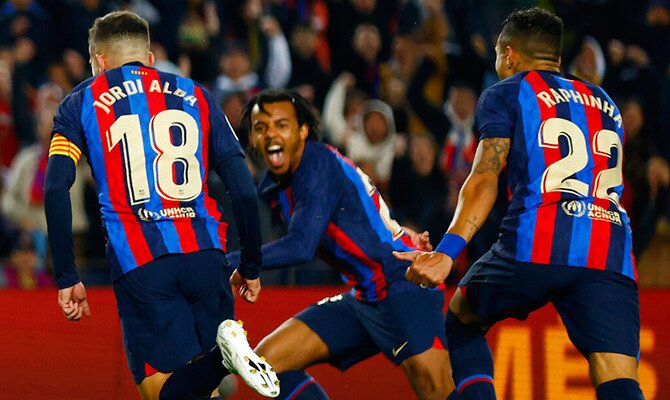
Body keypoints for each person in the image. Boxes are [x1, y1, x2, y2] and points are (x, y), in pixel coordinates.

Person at [396, 7, 644, 400]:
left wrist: (448, 251)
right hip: (609, 250)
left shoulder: (506, 92)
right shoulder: (604, 99)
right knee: (617, 373)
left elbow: (483, 179)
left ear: (510, 55)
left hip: (538, 241)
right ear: (558, 59)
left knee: (461, 318)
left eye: (497, 53)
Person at [43, 11, 278, 400]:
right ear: (149, 57)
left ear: (99, 62)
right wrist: (250, 264)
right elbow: (244, 189)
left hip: (142, 263)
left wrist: (67, 275)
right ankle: (224, 356)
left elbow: (55, 189)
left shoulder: (80, 101)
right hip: (205, 253)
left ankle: (223, 359)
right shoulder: (198, 94)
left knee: (162, 392)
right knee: (205, 391)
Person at [217, 88, 460, 400]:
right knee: (265, 364)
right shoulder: (272, 186)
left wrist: (230, 262)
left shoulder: (317, 163)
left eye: (281, 124)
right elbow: (354, 219)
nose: (270, 134)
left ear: (303, 130)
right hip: (365, 294)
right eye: (260, 128)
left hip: (402, 281)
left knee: (437, 392)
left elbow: (302, 246)